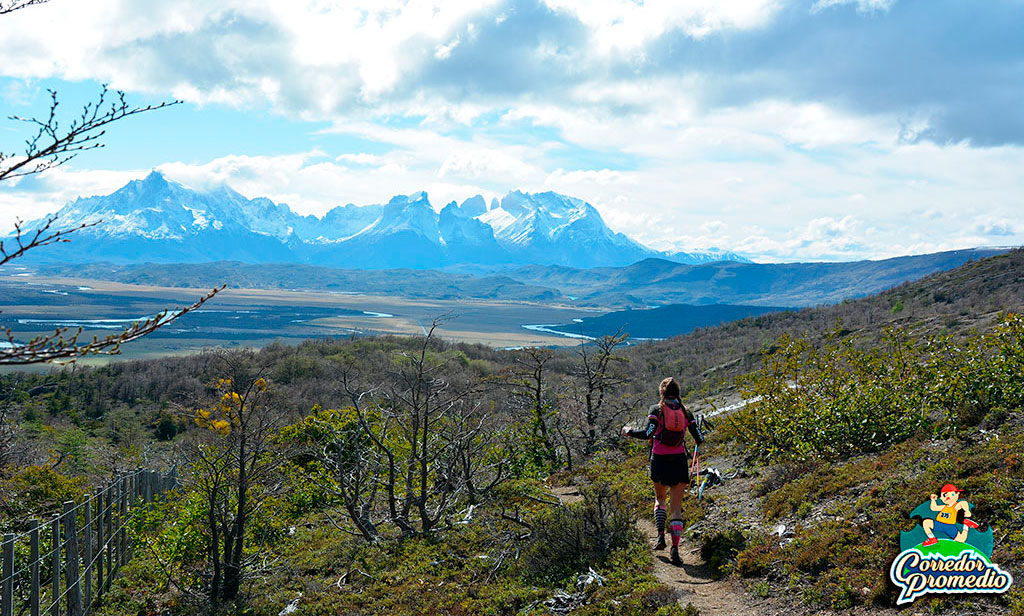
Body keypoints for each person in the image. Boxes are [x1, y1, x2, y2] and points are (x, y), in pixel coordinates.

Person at [621, 376, 704, 566]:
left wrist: (629, 431)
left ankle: (660, 536)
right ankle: (675, 547)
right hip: (679, 462)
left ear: (661, 392)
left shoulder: (656, 410)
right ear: (678, 393)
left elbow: (648, 434)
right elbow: (699, 438)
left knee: (660, 499)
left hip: (659, 460)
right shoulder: (686, 412)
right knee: (677, 508)